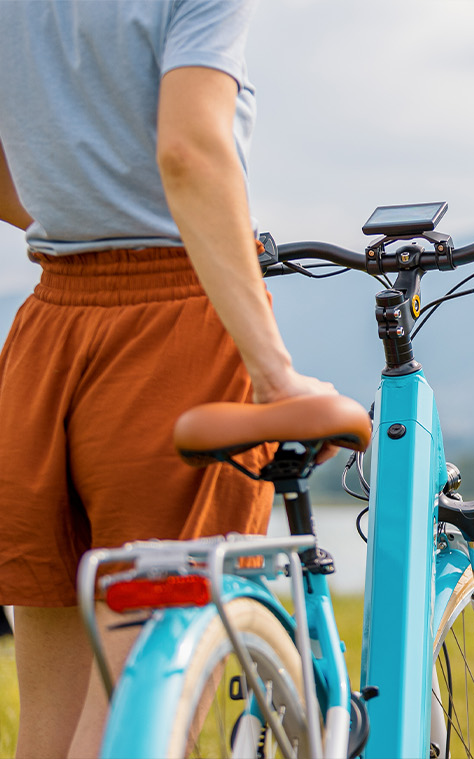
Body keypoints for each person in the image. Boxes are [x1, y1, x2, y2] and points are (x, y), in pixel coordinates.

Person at [0, 2, 334, 755]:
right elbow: (187, 151)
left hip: (47, 330)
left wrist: (78, 209)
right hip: (176, 324)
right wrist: (273, 373)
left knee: (46, 730)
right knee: (136, 709)